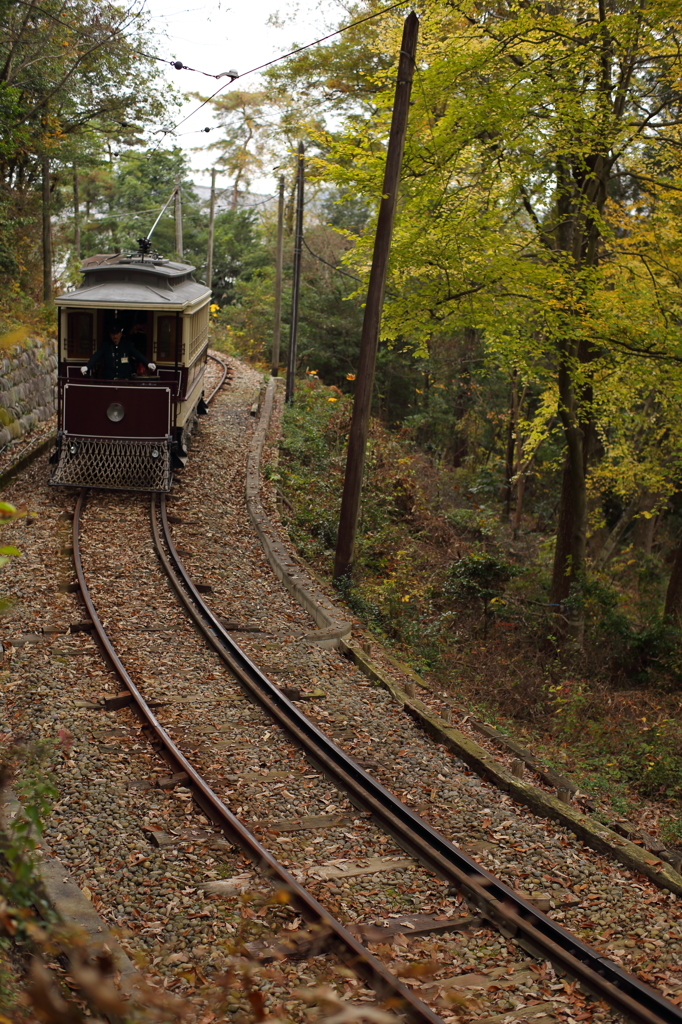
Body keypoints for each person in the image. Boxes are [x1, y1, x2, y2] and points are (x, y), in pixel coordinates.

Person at [81, 320, 157, 380]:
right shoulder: (106, 345)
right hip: (109, 380)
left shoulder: (127, 345)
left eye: (117, 333)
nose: (115, 336)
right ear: (110, 334)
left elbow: (138, 354)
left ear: (120, 333)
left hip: (124, 379)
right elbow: (96, 356)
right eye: (112, 334)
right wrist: (87, 367)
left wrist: (148, 363)